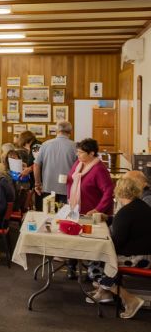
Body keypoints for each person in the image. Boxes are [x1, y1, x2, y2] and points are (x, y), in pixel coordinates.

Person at [82, 177, 151, 318]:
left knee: (95, 266)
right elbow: (129, 225)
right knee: (102, 258)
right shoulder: (141, 207)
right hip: (146, 254)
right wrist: (108, 218)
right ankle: (104, 292)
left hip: (137, 258)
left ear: (118, 192)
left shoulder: (125, 212)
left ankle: (129, 299)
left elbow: (116, 242)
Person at [65, 138, 114, 216]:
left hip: (92, 213)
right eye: (77, 151)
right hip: (76, 211)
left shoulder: (99, 169)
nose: (77, 154)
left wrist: (98, 209)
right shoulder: (78, 163)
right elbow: (71, 180)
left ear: (91, 153)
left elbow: (109, 191)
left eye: (81, 152)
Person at [33, 121, 76, 204]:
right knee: (65, 216)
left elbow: (36, 165)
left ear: (57, 131)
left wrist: (37, 184)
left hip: (48, 187)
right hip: (67, 188)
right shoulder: (75, 146)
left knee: (48, 214)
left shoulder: (45, 144)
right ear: (71, 131)